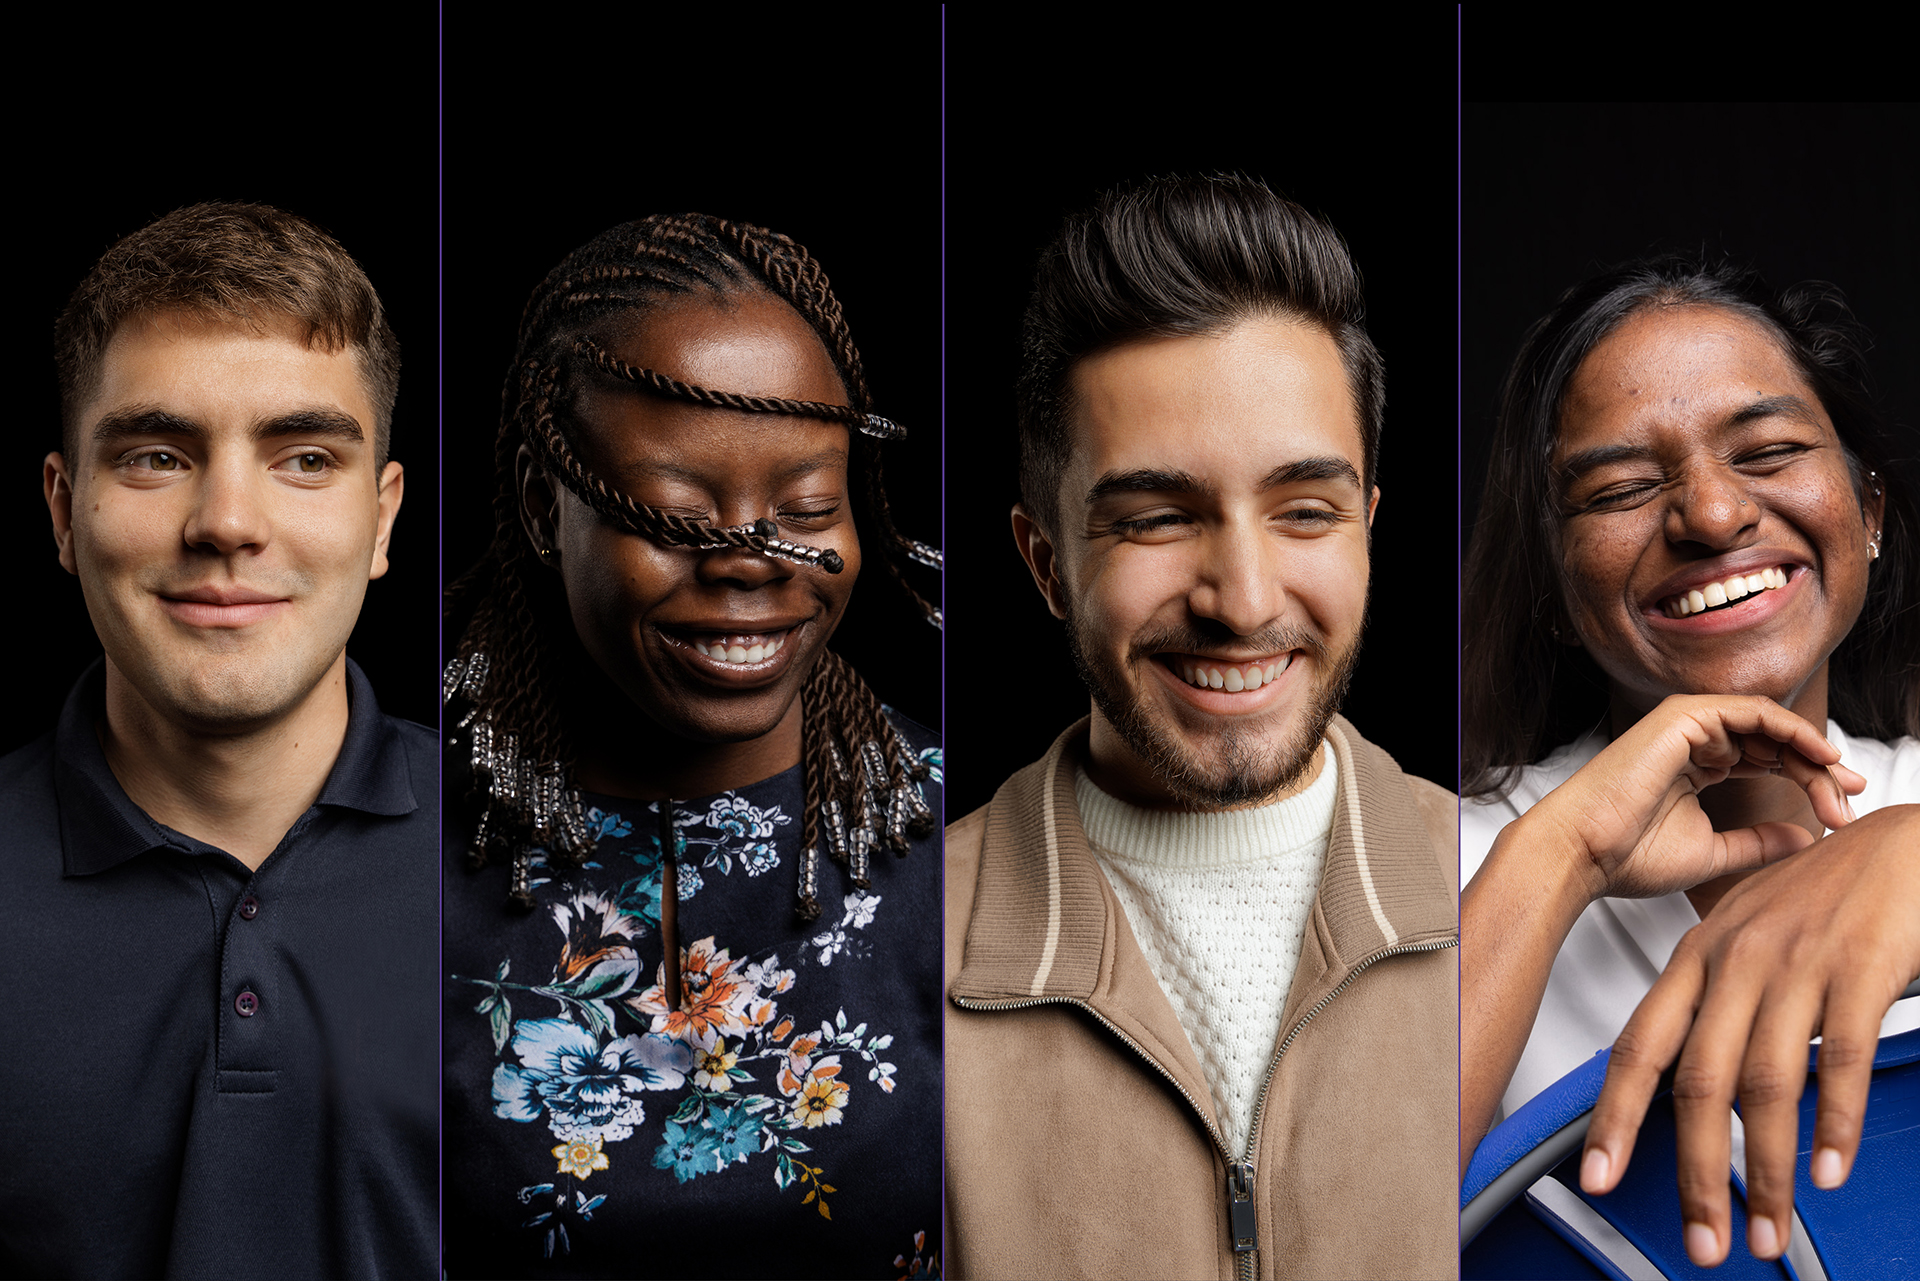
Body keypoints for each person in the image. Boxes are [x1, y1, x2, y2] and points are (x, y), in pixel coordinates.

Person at [944, 175, 1459, 1278]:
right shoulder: (903, 948)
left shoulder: (1507, 876)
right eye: (1158, 519)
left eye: (1305, 511)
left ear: (1368, 528)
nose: (1244, 597)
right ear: (1046, 564)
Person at [440, 215, 943, 1279]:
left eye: (807, 506)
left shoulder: (958, 837)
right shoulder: (397, 831)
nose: (755, 561)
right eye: (676, 518)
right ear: (543, 505)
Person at [1460, 256, 1920, 1269]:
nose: (1711, 517)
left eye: (1767, 450)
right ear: (1554, 587)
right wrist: (1567, 854)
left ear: (1870, 513)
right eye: (1622, 487)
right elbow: (1337, 1223)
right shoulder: (1445, 855)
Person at [0, 203, 433, 1277]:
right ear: (64, 512)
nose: (227, 521)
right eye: (156, 455)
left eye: (302, 458)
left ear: (383, 521)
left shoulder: (540, 871)